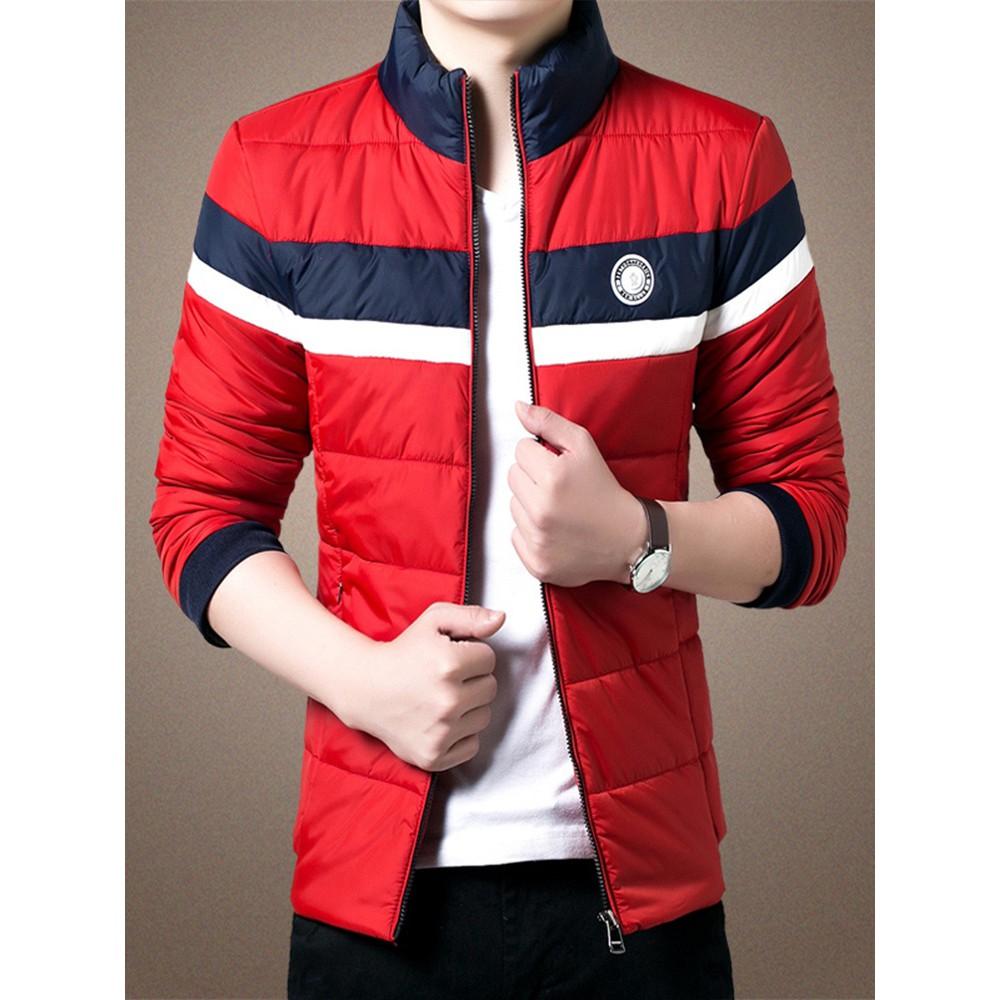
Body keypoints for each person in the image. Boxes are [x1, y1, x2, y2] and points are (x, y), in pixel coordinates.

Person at [148, 0, 849, 996]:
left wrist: (636, 539)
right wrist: (362, 684)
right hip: (375, 900)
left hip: (640, 898)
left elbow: (810, 518)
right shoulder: (272, 167)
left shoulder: (725, 160)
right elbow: (201, 510)